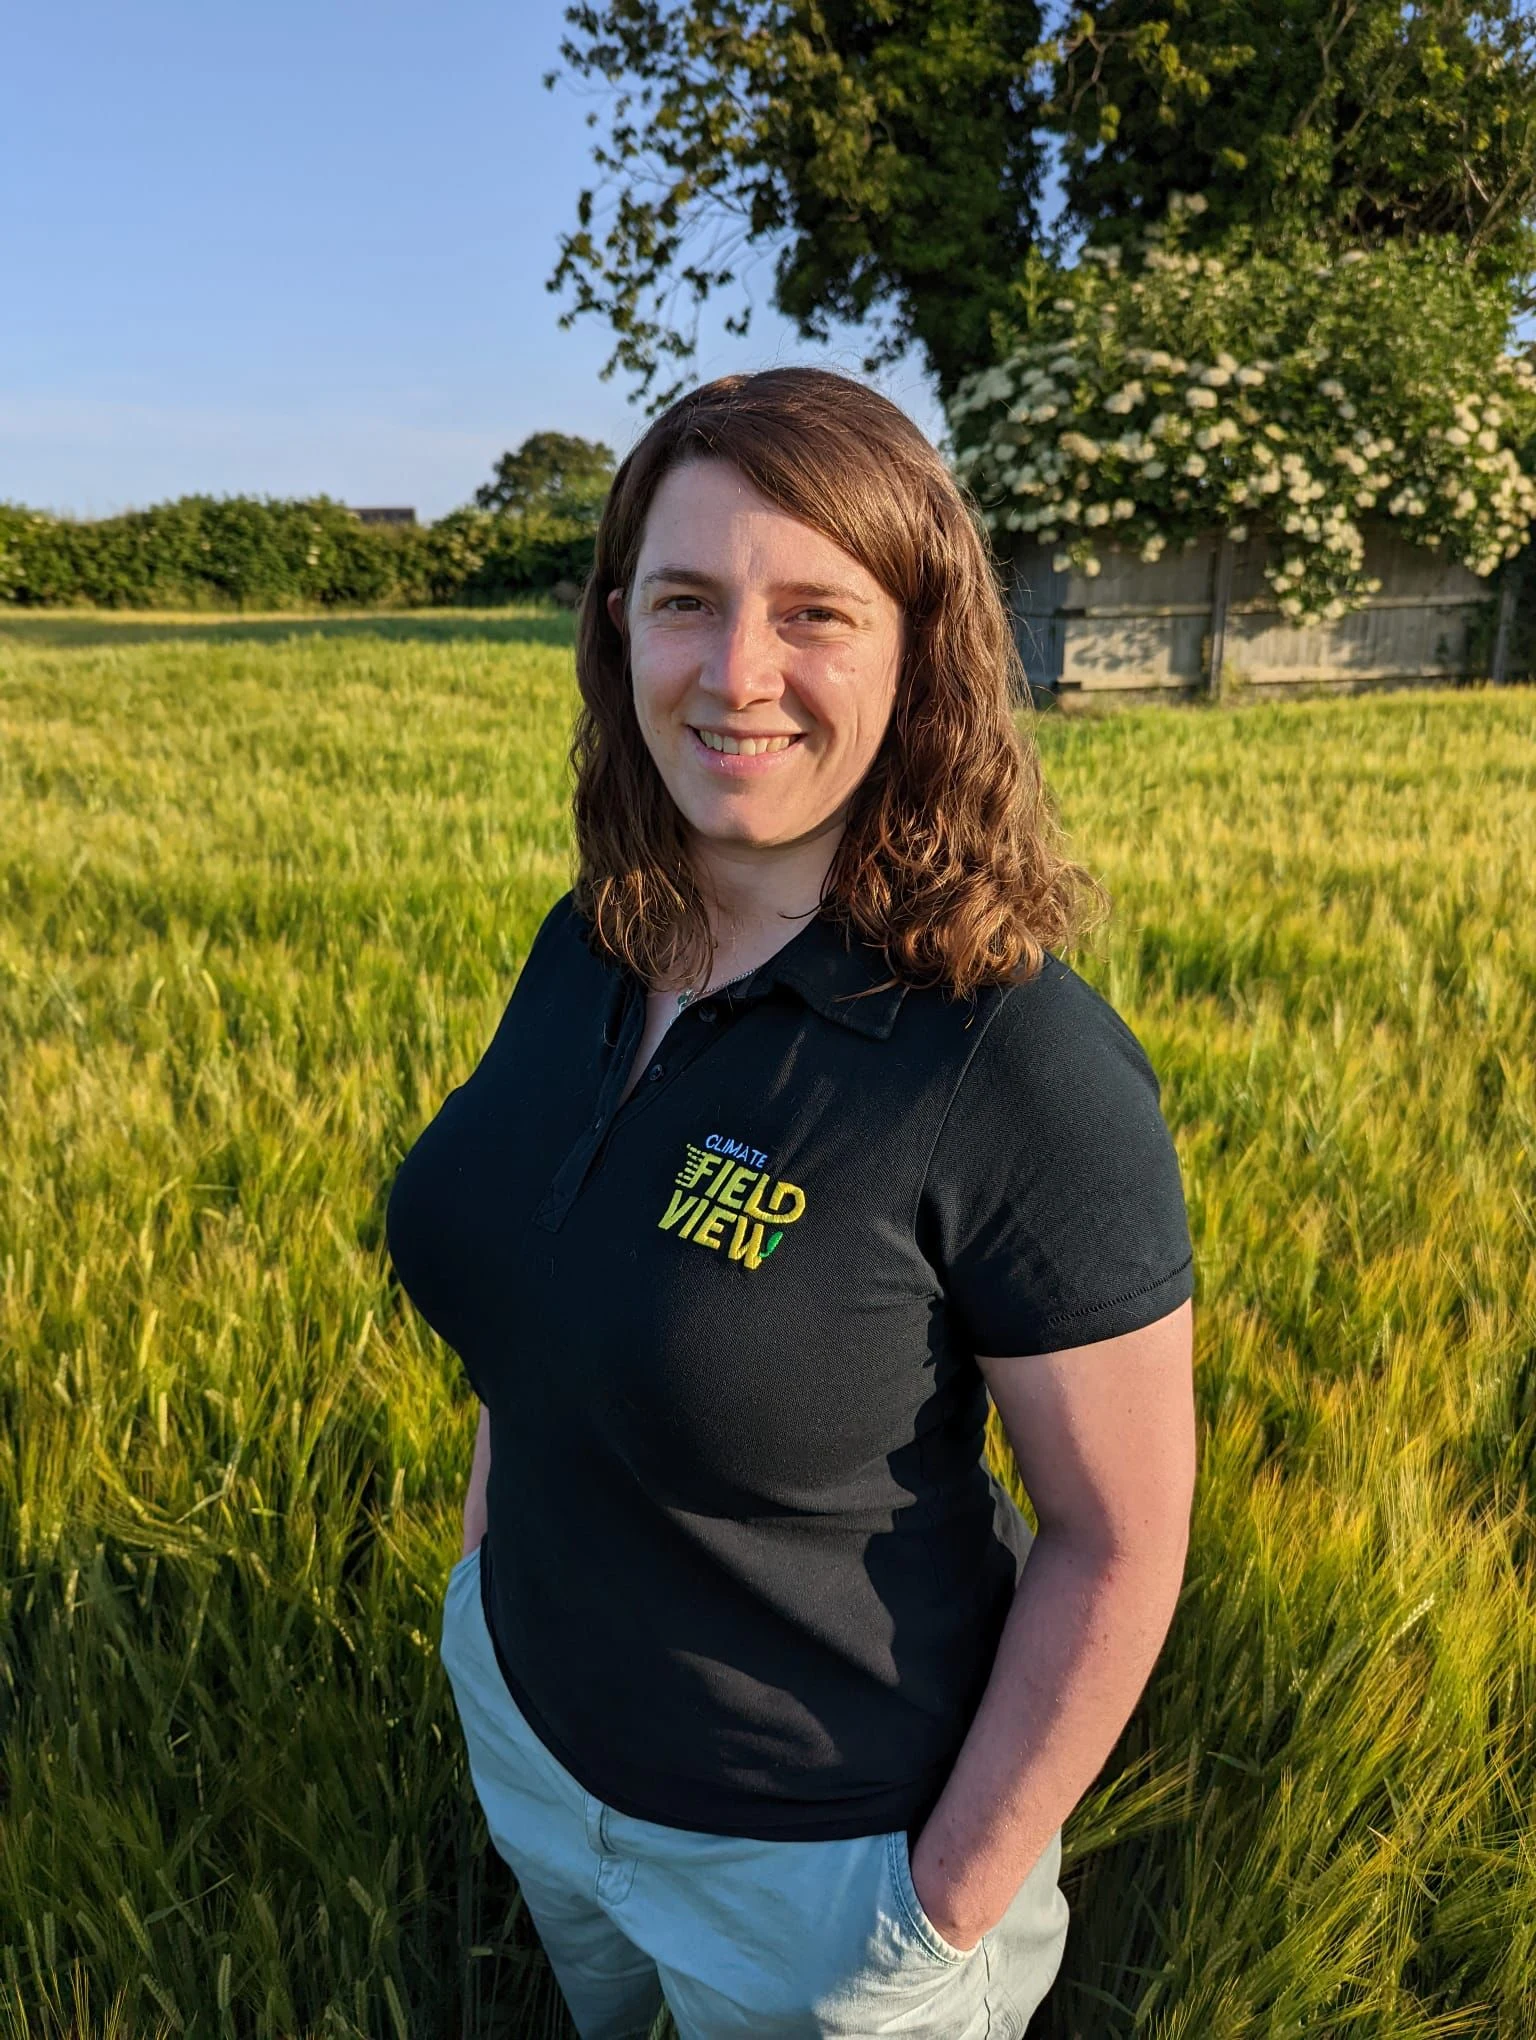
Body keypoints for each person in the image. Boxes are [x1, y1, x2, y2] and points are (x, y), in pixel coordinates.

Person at [385, 366, 1196, 2039]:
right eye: (687, 600)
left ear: (920, 650)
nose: (737, 672)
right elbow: (535, 1303)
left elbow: (1117, 1539)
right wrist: (483, 1599)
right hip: (531, 1743)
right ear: (619, 629)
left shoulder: (1011, 1061)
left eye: (814, 611)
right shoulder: (587, 944)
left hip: (819, 1867)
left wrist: (929, 1918)